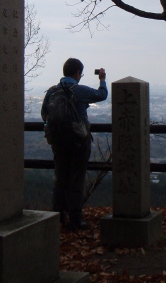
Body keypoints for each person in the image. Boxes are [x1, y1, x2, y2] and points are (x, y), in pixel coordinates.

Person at [41, 57, 108, 230]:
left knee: (60, 178)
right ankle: (76, 220)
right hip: (78, 141)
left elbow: (44, 114)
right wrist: (102, 79)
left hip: (57, 141)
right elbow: (102, 95)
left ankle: (58, 218)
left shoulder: (51, 91)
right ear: (78, 73)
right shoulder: (78, 90)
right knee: (76, 179)